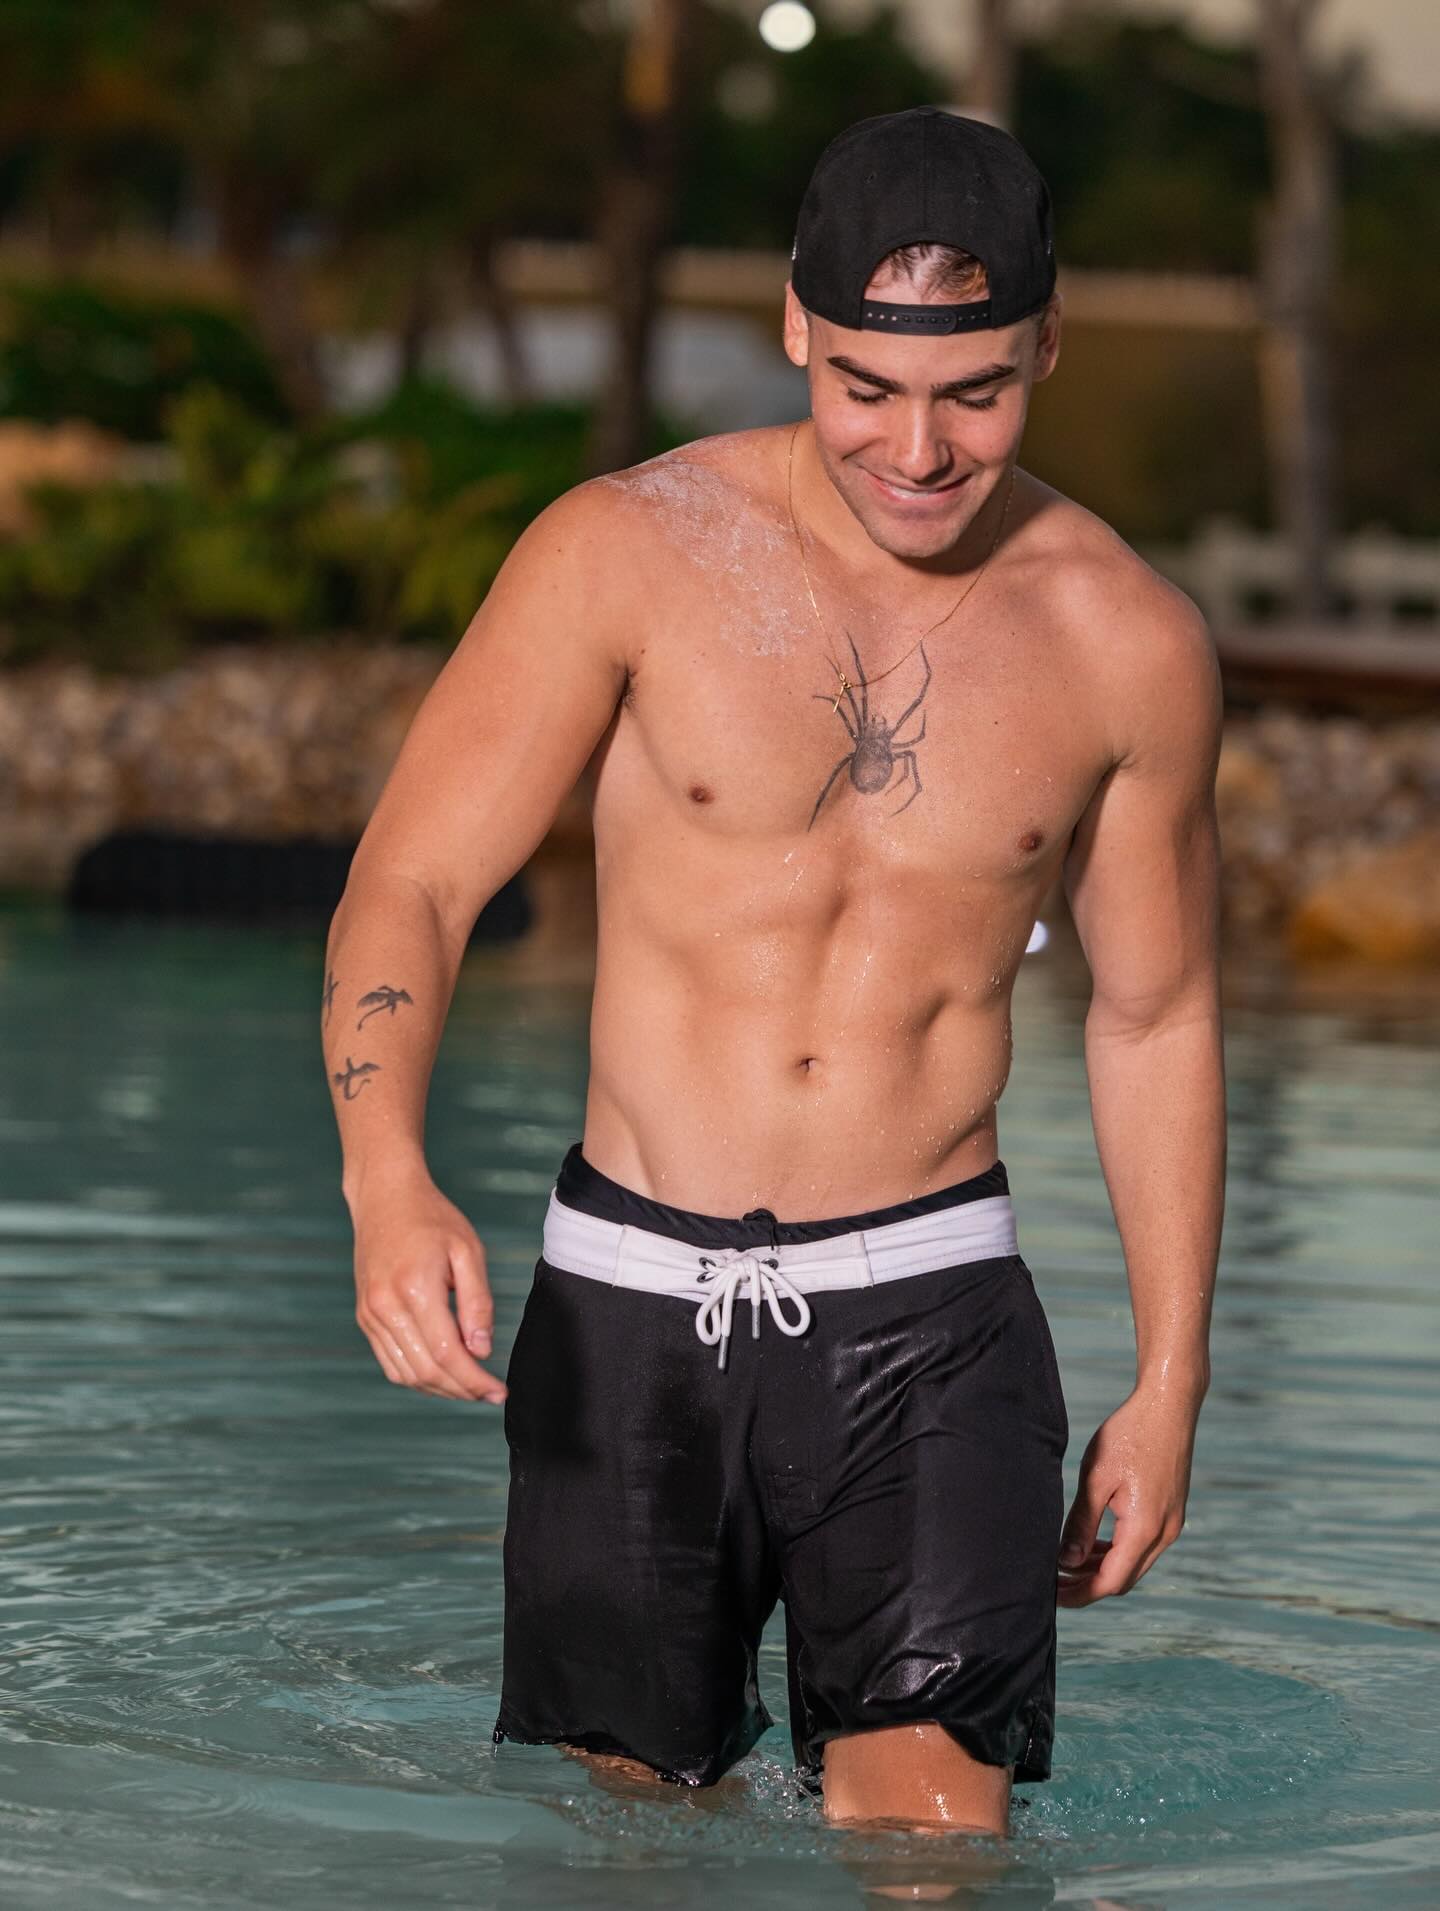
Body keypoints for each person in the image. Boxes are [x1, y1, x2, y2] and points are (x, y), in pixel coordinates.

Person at [324, 106, 1225, 1838]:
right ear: (798, 325)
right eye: (871, 388)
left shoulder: (1127, 639)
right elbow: (413, 883)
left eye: (977, 392)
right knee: (634, 1837)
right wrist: (386, 1176)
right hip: (627, 1309)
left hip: (934, 1316)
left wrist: (1173, 1377)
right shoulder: (627, 551)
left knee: (936, 1850)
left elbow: (1156, 1011)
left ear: (1048, 343)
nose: (922, 448)